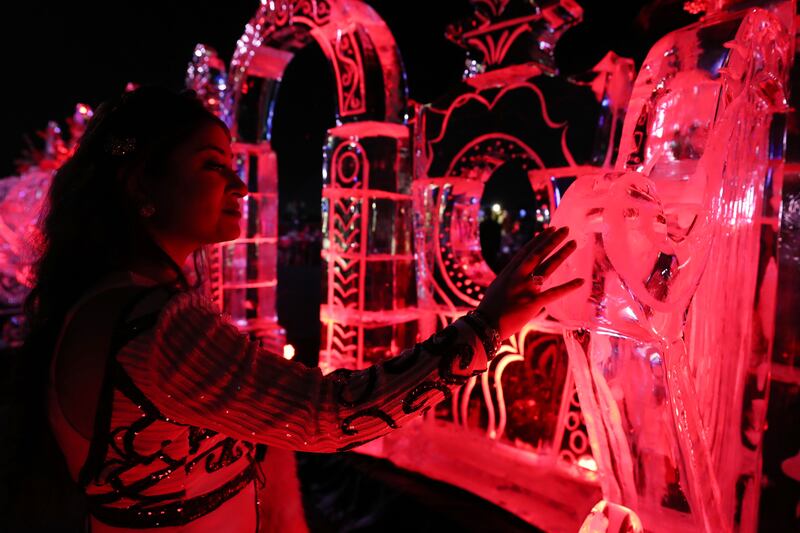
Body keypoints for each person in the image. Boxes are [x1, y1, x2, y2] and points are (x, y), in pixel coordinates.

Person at [18, 86, 581, 531]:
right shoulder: (161, 325)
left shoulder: (107, 297)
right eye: (213, 165)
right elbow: (331, 415)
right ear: (141, 184)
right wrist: (487, 327)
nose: (239, 185)